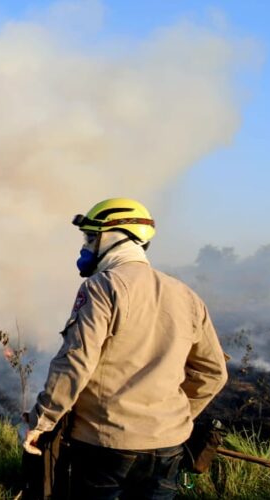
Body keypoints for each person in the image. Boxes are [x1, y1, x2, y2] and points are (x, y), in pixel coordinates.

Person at [22, 198, 228, 499]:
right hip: (169, 445)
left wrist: (42, 421)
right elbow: (213, 373)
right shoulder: (187, 295)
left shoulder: (102, 287)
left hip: (105, 446)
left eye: (91, 237)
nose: (86, 246)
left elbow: (75, 363)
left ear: (115, 236)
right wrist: (175, 417)